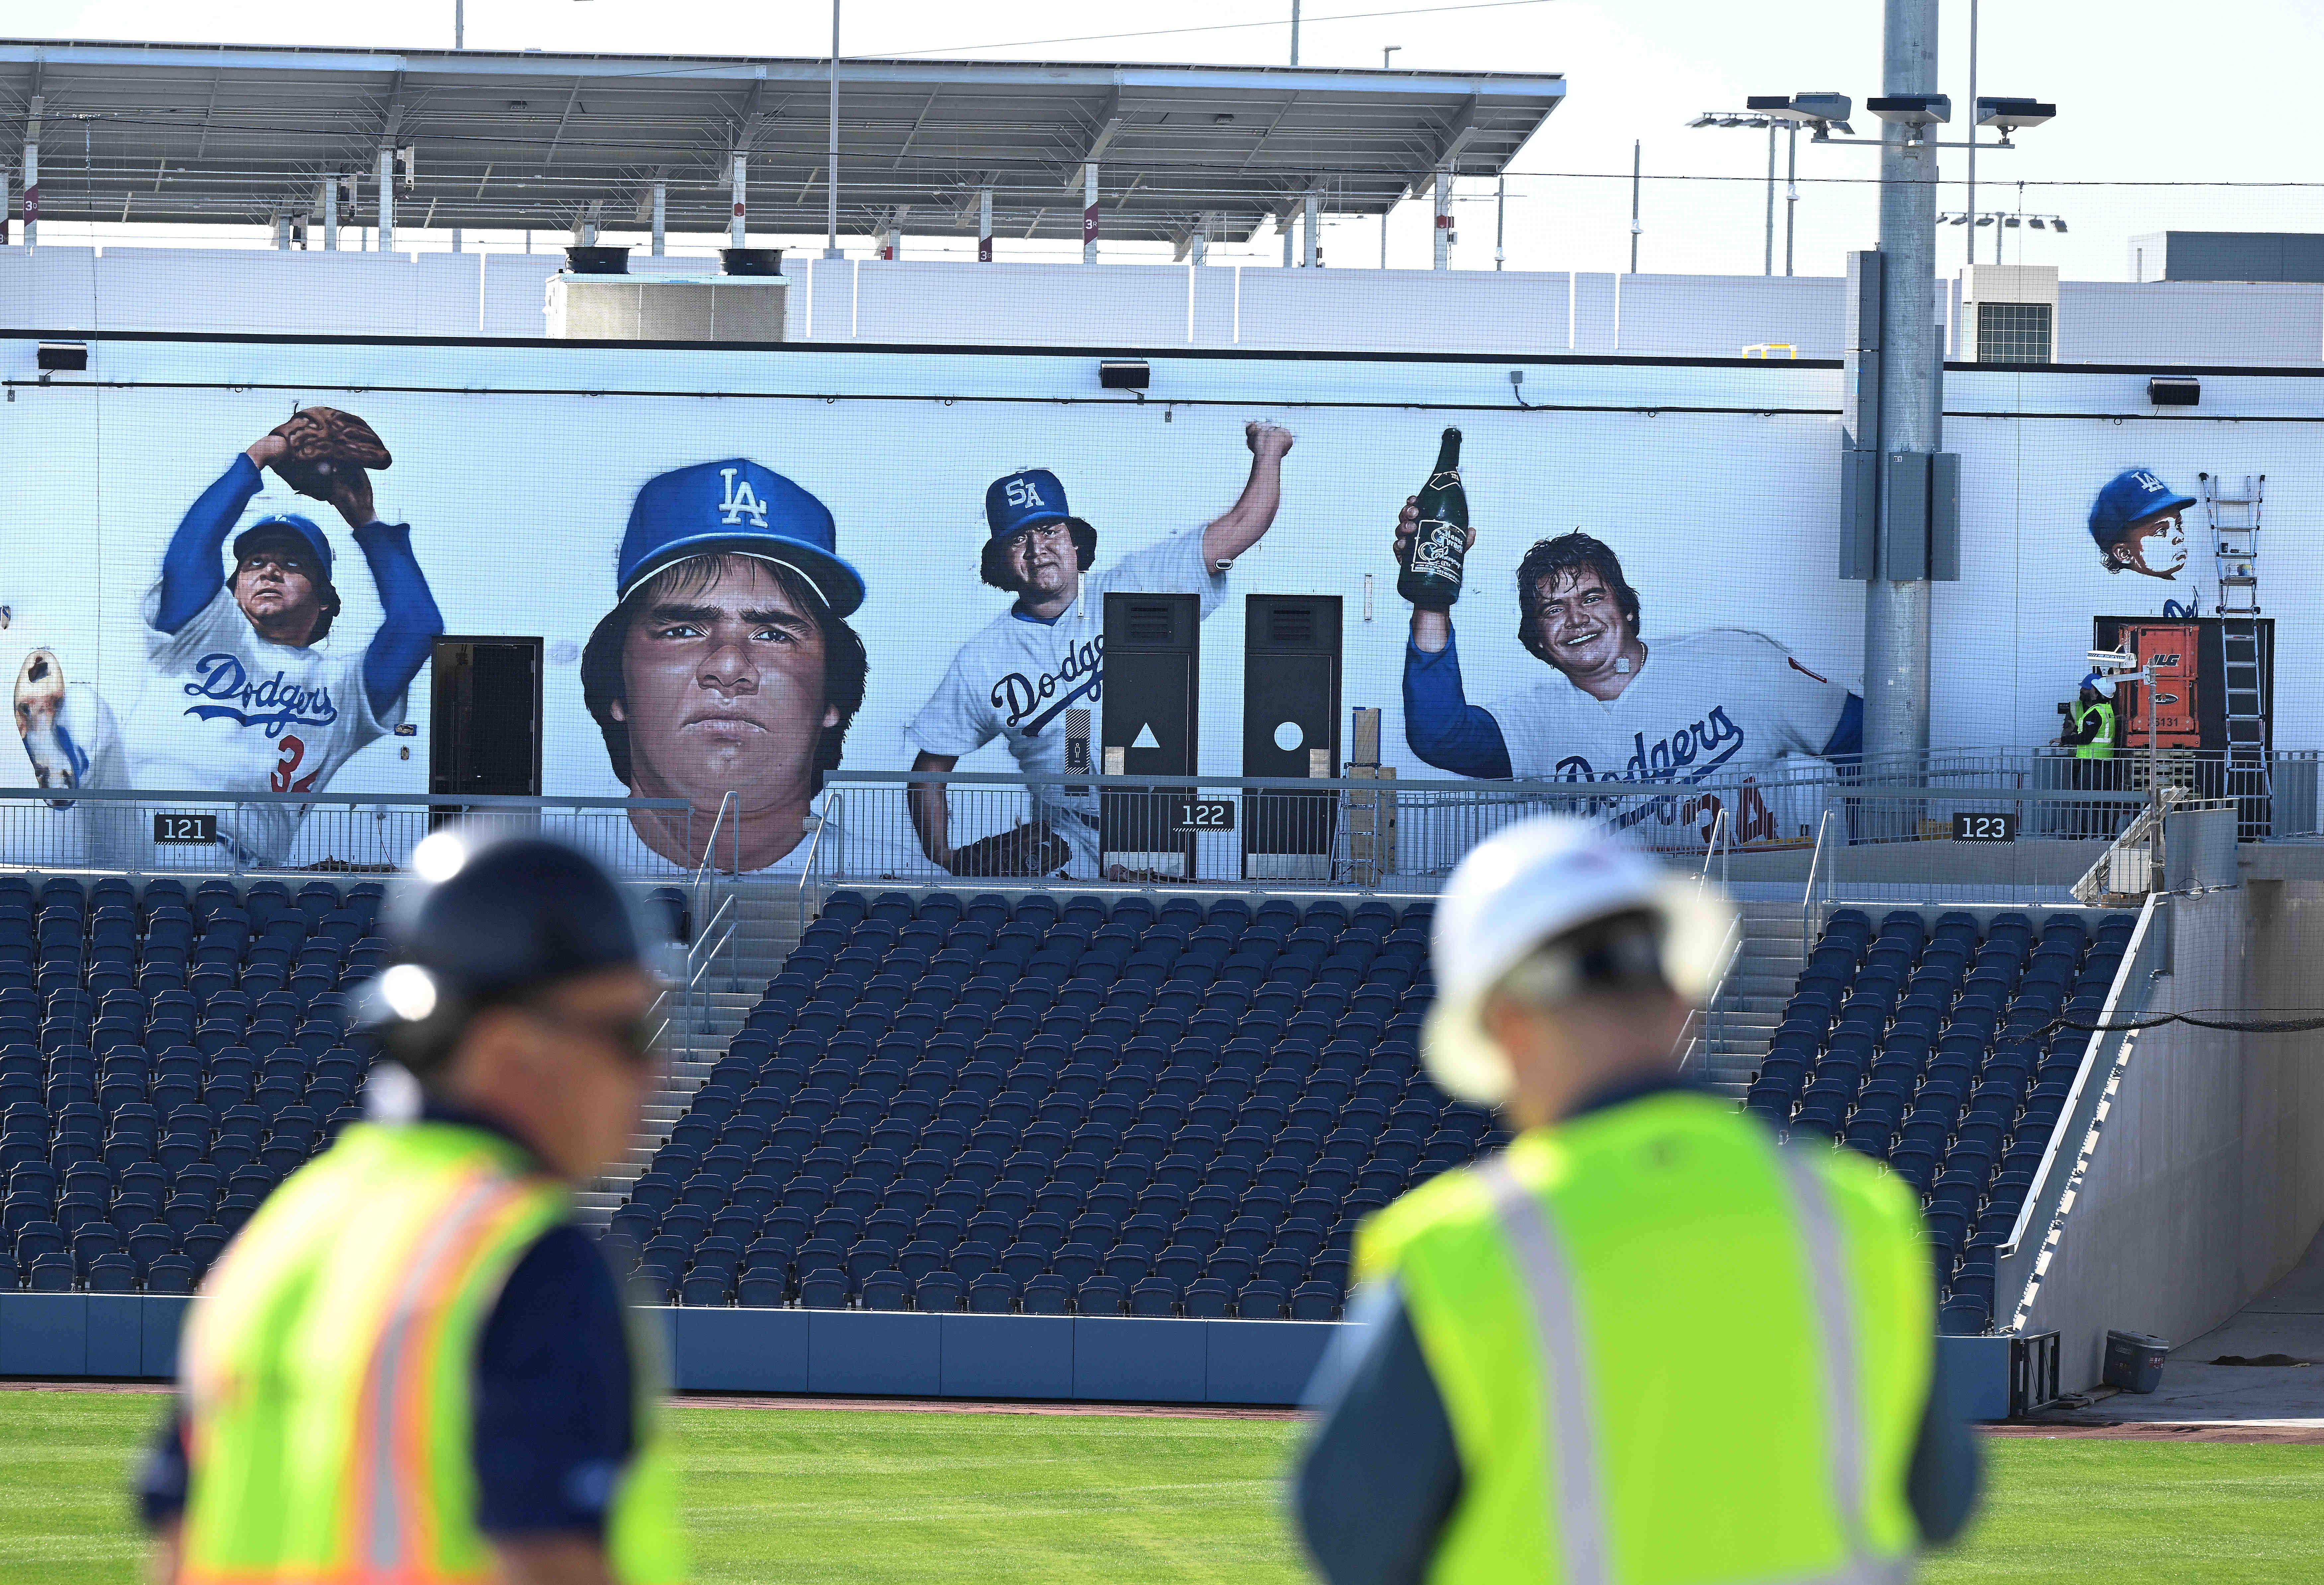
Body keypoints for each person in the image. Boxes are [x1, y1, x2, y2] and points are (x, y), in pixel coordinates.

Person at [1296, 816, 1979, 1585]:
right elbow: (1943, 1498)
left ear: (1503, 1026)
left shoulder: (1461, 1247)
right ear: (1681, 997)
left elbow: (1351, 1534)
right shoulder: (1861, 1216)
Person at [137, 830, 687, 1585]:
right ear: (508, 1050)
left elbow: (176, 1545)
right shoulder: (526, 1256)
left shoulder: (280, 1237)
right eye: (630, 1032)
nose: (661, 1068)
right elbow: (549, 1561)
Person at [904, 420, 1293, 878]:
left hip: (1155, 834)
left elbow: (1241, 529)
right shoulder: (983, 659)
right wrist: (945, 856)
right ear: (1001, 562)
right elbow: (928, 770)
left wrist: (1267, 451)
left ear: (1074, 541)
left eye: (1049, 531)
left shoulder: (1134, 588)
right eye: (1018, 540)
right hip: (1059, 848)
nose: (1037, 550)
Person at [130, 408, 445, 863]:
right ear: (234, 588)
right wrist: (260, 455)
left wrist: (366, 521)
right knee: (84, 712)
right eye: (254, 563)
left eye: (295, 564)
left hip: (240, 863)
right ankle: (68, 776)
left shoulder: (345, 688)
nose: (271, 570)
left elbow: (418, 627)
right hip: (133, 833)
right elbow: (191, 551)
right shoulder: (199, 629)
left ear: (324, 601)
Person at [1396, 516, 1861, 791]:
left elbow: (1863, 739)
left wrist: (1874, 862)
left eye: (1592, 598)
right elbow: (1440, 738)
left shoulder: (1735, 662)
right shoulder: (1534, 720)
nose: (1576, 619)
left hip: (1742, 909)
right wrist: (1431, 597)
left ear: (1628, 610)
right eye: (1553, 609)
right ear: (1538, 641)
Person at [581, 458, 868, 874]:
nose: (729, 667)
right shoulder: (534, 888)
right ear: (617, 689)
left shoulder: (900, 887)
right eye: (681, 631)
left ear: (830, 698)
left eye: (773, 634)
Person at [2088, 468, 2194, 582]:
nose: (2180, 537)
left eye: (2178, 525)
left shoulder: (2177, 585)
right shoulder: (2133, 592)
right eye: (2161, 531)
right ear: (2124, 553)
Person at [2062, 671, 2119, 839]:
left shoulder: (2096, 712)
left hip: (2092, 763)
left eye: (2092, 689)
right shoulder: (2107, 710)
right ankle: (2098, 833)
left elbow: (2086, 738)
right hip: (2102, 763)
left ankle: (2092, 835)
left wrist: (2064, 740)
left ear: (2097, 693)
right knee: (2097, 800)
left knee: (2086, 800)